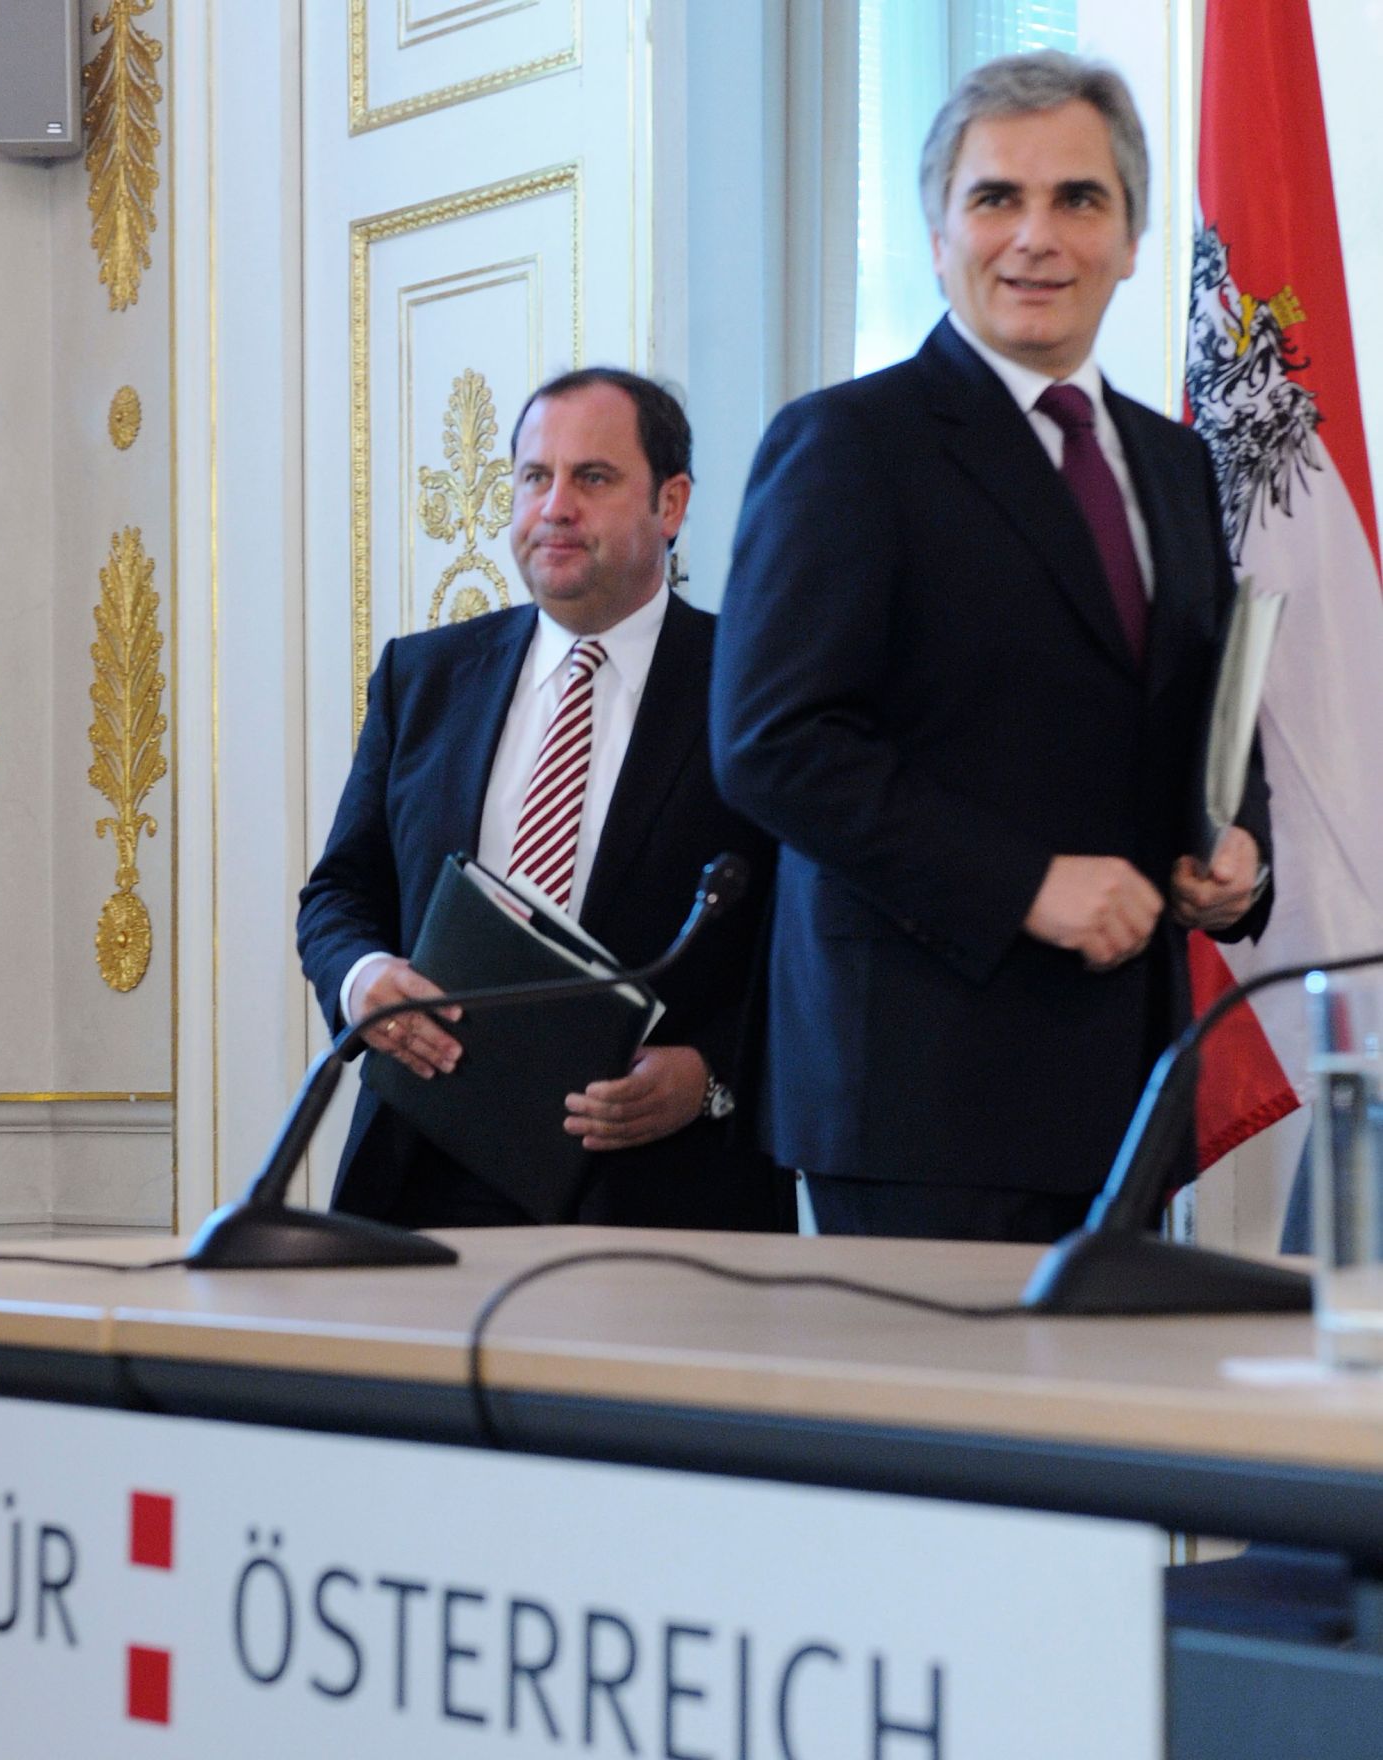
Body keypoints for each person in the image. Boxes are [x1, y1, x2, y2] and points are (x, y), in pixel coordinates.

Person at [710, 51, 1272, 1242]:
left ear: (1130, 239)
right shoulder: (848, 444)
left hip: (1125, 1079)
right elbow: (772, 744)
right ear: (935, 232)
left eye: (1079, 199)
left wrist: (1232, 841)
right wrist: (1023, 886)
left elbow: (1196, 701)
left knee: (1098, 1429)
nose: (1036, 238)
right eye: (994, 199)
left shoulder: (1171, 461)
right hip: (915, 1089)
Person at [298, 367, 789, 1231]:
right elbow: (340, 894)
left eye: (591, 479)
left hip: (662, 1192)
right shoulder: (424, 678)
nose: (553, 507)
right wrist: (363, 979)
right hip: (421, 1171)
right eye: (534, 477)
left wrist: (711, 1076)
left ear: (669, 505)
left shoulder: (756, 686)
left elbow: (809, 946)